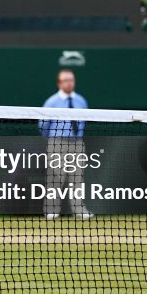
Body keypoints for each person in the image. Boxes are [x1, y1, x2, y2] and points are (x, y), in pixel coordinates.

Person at [40, 69, 92, 220]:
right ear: (59, 83)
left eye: (71, 80)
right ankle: (51, 211)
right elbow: (43, 125)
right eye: (65, 80)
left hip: (77, 144)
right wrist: (52, 140)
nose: (69, 83)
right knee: (55, 178)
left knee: (77, 179)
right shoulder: (51, 102)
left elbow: (85, 121)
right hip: (57, 143)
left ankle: (79, 210)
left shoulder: (81, 101)